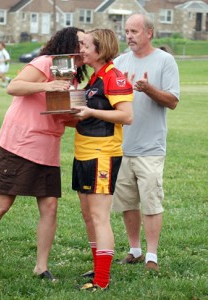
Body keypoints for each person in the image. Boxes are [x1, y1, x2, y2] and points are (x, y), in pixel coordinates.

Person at [0, 27, 88, 281]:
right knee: (3, 202)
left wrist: (84, 116)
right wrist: (48, 85)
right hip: (20, 142)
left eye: (86, 44)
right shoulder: (45, 63)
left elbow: (58, 114)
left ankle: (41, 266)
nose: (84, 48)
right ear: (68, 44)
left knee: (50, 206)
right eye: (80, 43)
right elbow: (14, 86)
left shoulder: (69, 75)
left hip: (47, 147)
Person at [112, 13, 180, 271]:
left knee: (150, 201)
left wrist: (148, 89)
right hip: (121, 145)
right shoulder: (119, 62)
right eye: (127, 31)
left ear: (149, 33)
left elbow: (173, 101)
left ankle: (152, 255)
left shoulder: (165, 61)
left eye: (134, 31)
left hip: (150, 147)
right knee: (127, 202)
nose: (128, 36)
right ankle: (135, 250)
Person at [72, 29, 133, 291]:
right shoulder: (94, 77)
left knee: (99, 217)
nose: (81, 49)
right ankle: (98, 268)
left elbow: (126, 116)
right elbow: (90, 114)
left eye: (85, 45)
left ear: (100, 48)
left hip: (103, 155)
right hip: (83, 153)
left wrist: (90, 111)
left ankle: (102, 280)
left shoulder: (113, 77)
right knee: (88, 216)